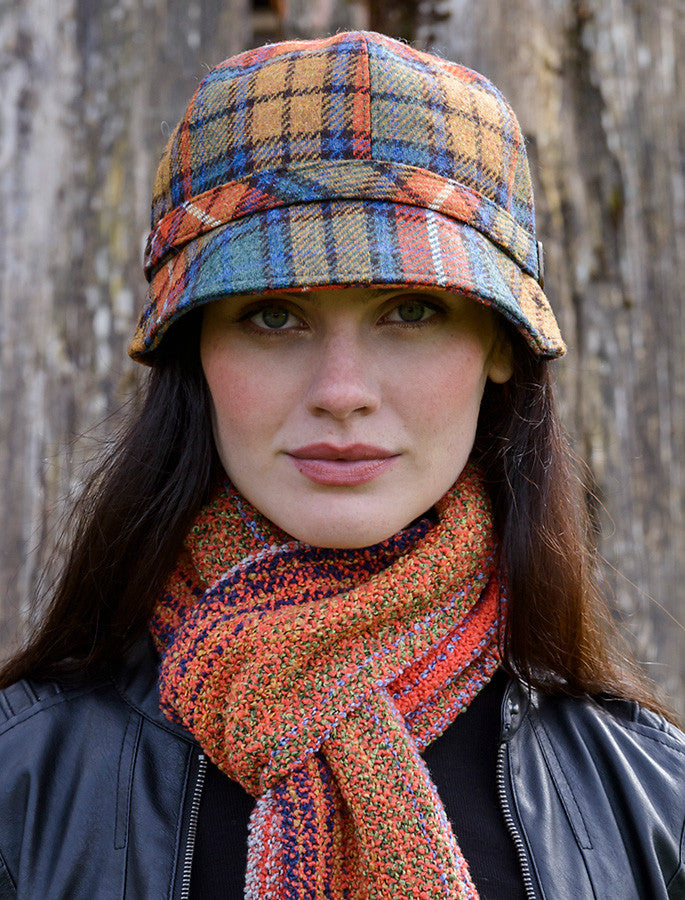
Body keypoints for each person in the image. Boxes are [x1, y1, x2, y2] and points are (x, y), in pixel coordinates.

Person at [0, 30, 683, 900]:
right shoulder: (21, 781)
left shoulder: (655, 803)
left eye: (411, 310)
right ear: (194, 351)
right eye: (272, 315)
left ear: (500, 347)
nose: (342, 392)